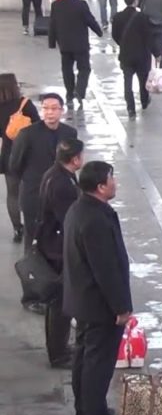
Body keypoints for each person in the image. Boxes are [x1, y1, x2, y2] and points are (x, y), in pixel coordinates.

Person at [63, 161, 132, 415]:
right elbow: (106, 269)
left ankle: (84, 406)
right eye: (111, 179)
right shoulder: (95, 220)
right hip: (98, 303)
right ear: (101, 187)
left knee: (84, 353)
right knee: (98, 360)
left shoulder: (79, 209)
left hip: (82, 299)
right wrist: (121, 307)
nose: (115, 183)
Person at [8, 93, 77, 268]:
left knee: (61, 234)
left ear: (61, 110)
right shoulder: (27, 134)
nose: (49, 112)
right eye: (45, 108)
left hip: (62, 194)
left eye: (54, 108)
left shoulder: (69, 133)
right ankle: (32, 275)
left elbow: (72, 162)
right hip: (34, 194)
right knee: (33, 237)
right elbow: (15, 165)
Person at [36, 138, 84, 369]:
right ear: (75, 159)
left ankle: (59, 348)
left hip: (50, 244)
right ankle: (58, 353)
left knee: (58, 302)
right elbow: (68, 220)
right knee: (61, 303)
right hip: (57, 249)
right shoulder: (62, 183)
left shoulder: (55, 174)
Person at [48, 0, 103, 110]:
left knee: (67, 69)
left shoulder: (56, 5)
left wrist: (52, 42)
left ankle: (69, 94)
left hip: (65, 44)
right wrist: (99, 32)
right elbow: (90, 20)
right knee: (84, 68)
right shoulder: (81, 4)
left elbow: (52, 24)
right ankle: (79, 91)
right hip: (80, 44)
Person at [0, 73, 40, 242]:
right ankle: (34, 225)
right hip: (29, 154)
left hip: (9, 154)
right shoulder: (25, 104)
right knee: (32, 190)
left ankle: (17, 228)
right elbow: (38, 126)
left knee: (12, 194)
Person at [111, 0, 152, 118]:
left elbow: (115, 35)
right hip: (141, 56)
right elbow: (148, 36)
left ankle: (130, 108)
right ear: (136, 1)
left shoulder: (117, 17)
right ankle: (144, 101)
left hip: (126, 55)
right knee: (143, 79)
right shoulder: (142, 17)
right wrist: (156, 52)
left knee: (127, 82)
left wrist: (123, 45)